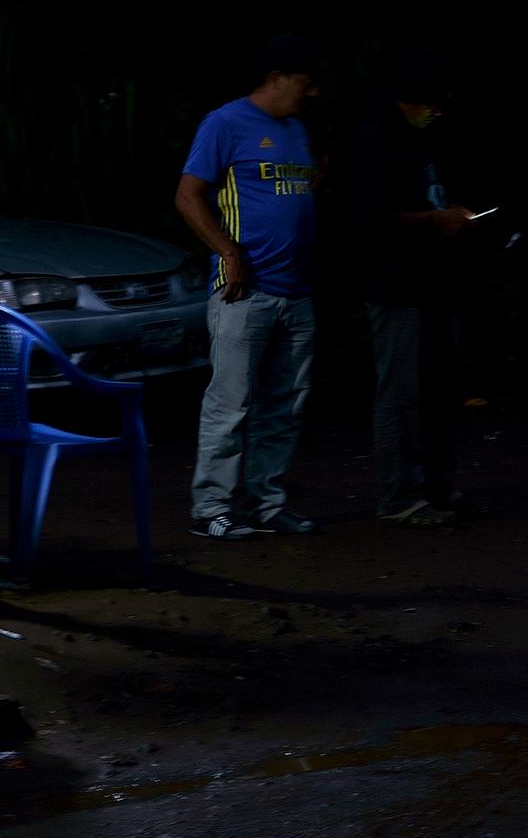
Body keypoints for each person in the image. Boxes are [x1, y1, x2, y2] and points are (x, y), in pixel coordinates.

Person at [174, 35, 324, 539]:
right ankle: (210, 509)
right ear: (278, 77)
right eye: (305, 82)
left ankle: (267, 503)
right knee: (231, 403)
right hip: (245, 292)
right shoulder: (226, 123)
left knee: (285, 405)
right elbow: (188, 196)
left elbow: (296, 192)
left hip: (297, 293)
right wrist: (230, 253)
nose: (313, 92)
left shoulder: (298, 130)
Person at [346, 49, 478, 529]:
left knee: (441, 386)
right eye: (434, 102)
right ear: (414, 98)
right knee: (400, 390)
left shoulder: (420, 139)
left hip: (432, 282)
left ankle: (435, 487)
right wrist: (435, 220)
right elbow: (373, 218)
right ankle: (398, 494)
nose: (438, 111)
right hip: (395, 285)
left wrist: (449, 217)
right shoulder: (376, 140)